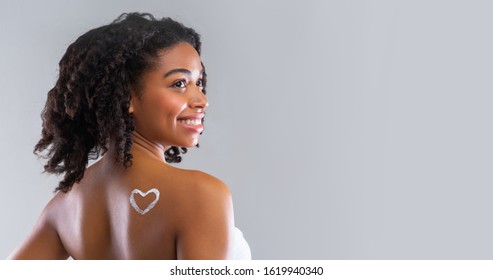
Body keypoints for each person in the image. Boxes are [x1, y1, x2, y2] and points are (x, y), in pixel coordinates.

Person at [8, 12, 251, 260]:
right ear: (128, 97)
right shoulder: (201, 194)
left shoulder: (64, 207)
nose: (202, 100)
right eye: (179, 83)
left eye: (198, 83)